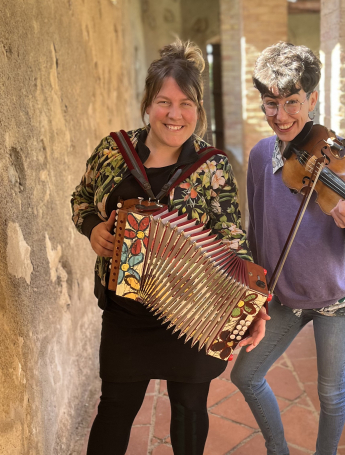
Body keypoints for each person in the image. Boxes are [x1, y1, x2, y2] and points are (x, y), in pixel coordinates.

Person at [71, 40, 251, 455]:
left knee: (189, 407)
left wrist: (249, 304)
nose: (175, 114)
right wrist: (93, 227)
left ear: (198, 110)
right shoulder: (112, 152)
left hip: (191, 315)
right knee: (116, 406)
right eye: (164, 101)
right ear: (148, 104)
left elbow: (232, 239)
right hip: (126, 313)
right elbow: (79, 198)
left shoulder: (212, 167)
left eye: (186, 103)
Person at [231, 42, 345, 455]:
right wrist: (255, 292)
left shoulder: (343, 158)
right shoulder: (262, 155)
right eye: (270, 103)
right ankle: (277, 449)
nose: (281, 116)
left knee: (332, 394)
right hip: (286, 296)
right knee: (245, 376)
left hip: (339, 297)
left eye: (292, 102)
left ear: (312, 99)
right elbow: (255, 232)